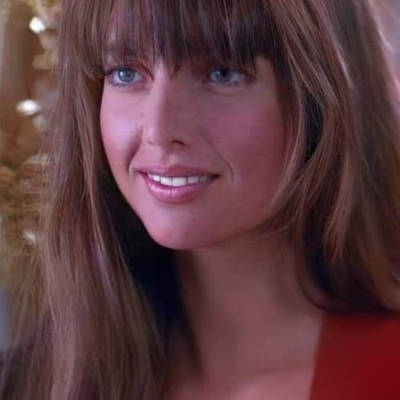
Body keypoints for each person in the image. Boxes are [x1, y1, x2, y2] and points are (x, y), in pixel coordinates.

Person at [1, 0, 400, 399]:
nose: (159, 132)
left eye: (223, 74)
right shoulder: (32, 380)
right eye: (126, 73)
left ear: (323, 102)